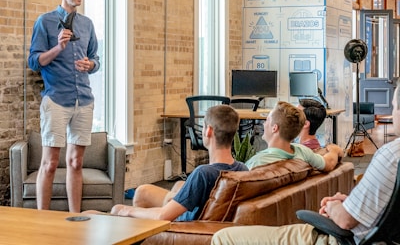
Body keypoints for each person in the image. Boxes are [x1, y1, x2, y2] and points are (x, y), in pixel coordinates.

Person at [211, 82, 400, 245]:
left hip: (340, 239)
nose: (392, 112)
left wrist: (333, 207)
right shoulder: (305, 153)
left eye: (393, 107)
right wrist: (352, 203)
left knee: (223, 237)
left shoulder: (391, 155)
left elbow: (345, 220)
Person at [28, 0, 100, 212]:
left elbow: (95, 60)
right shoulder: (45, 22)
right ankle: (43, 219)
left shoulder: (87, 24)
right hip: (56, 100)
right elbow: (34, 62)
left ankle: (75, 218)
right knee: (49, 164)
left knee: (76, 162)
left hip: (84, 100)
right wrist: (58, 47)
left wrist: (90, 65)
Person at [110, 104, 248, 221]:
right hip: (199, 216)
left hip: (182, 224)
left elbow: (163, 216)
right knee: (144, 191)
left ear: (209, 131)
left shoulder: (203, 173)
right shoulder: (243, 169)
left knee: (114, 209)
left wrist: (124, 210)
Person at [245, 101, 343, 172]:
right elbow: (329, 163)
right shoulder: (303, 152)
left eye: (266, 120)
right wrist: (334, 150)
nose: (263, 124)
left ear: (274, 128)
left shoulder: (256, 163)